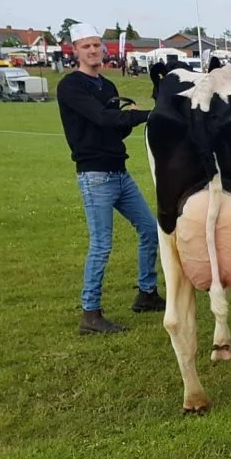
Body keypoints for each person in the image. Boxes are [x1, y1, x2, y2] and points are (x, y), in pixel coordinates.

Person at [57, 22, 165, 334]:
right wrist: (149, 114)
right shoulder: (71, 86)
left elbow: (115, 126)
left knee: (150, 230)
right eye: (86, 46)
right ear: (75, 50)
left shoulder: (108, 86)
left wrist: (129, 117)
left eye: (96, 45)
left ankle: (146, 293)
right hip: (95, 176)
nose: (93, 50)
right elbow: (102, 117)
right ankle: (91, 314)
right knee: (102, 244)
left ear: (103, 49)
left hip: (120, 173)